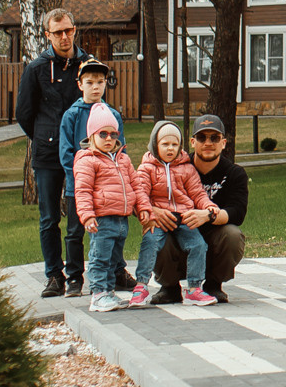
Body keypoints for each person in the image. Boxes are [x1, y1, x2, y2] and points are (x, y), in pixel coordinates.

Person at [16, 8, 89, 298]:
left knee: (79, 215)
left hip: (81, 154)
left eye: (68, 30)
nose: (64, 36)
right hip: (47, 153)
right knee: (49, 217)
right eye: (57, 32)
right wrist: (46, 136)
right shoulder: (36, 68)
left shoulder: (87, 64)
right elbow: (24, 113)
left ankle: (77, 275)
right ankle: (54, 275)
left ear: (74, 30)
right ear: (47, 35)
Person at [151, 114, 246, 303]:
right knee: (154, 232)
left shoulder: (234, 173)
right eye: (202, 138)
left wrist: (208, 216)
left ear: (224, 142)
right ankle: (169, 288)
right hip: (176, 235)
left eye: (214, 138)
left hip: (212, 242)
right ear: (193, 142)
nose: (208, 143)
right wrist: (153, 211)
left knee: (233, 234)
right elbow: (139, 195)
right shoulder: (174, 168)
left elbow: (237, 212)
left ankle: (213, 285)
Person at [56, 59, 128, 296]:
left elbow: (120, 150)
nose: (95, 87)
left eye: (100, 82)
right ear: (80, 85)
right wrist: (79, 181)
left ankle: (116, 272)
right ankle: (75, 277)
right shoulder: (72, 115)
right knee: (75, 232)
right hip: (81, 187)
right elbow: (67, 153)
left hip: (109, 191)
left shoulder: (113, 114)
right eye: (89, 82)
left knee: (112, 232)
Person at [134, 120, 214, 307]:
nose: (170, 149)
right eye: (165, 144)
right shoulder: (147, 168)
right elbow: (140, 194)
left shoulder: (186, 168)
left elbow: (197, 193)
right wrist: (146, 213)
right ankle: (141, 285)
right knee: (150, 242)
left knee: (198, 245)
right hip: (158, 219)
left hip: (184, 216)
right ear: (155, 144)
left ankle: (194, 288)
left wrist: (209, 206)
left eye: (174, 144)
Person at [74, 104, 145, 310]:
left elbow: (136, 185)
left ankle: (109, 292)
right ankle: (98, 294)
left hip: (121, 219)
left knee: (114, 259)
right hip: (102, 219)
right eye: (102, 133)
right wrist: (87, 215)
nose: (108, 139)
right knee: (100, 257)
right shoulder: (88, 161)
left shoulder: (122, 159)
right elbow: (83, 190)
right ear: (92, 136)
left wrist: (143, 209)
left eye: (113, 134)